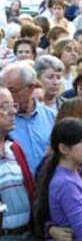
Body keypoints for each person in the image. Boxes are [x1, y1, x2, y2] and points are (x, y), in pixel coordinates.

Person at [0, 63, 56, 175]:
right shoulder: (4, 122)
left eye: (12, 90)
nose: (8, 96)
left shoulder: (52, 117)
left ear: (31, 88)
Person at [0, 86, 34, 239]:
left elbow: (32, 192)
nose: (13, 111)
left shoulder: (14, 148)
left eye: (13, 105)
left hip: (27, 233)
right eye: (4, 107)